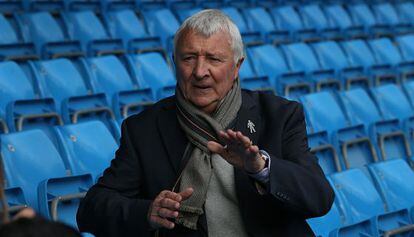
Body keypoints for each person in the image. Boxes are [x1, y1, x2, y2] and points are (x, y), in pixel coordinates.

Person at [77, 9, 334, 237]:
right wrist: (146, 211)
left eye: (214, 59)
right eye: (188, 58)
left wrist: (261, 168)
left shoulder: (279, 115)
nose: (200, 71)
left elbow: (319, 198)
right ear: (174, 63)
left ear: (237, 66)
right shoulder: (143, 128)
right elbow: (91, 209)